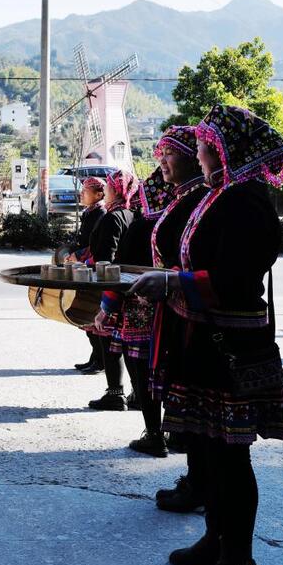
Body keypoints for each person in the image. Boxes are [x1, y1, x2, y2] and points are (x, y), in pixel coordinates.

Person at [130, 105, 283, 565]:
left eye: (205, 145)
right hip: (204, 337)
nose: (200, 152)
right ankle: (216, 540)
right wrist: (172, 280)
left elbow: (236, 277)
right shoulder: (220, 195)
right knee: (209, 445)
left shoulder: (245, 200)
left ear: (225, 150)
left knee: (230, 454)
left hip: (231, 345)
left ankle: (239, 563)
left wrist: (175, 283)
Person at [148, 127, 212, 514]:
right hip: (176, 305)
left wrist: (170, 278)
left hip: (197, 315)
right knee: (187, 405)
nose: (162, 162)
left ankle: (202, 484)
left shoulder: (203, 199)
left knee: (201, 413)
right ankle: (197, 479)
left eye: (170, 154)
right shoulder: (187, 198)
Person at [96, 160, 178, 456]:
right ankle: (177, 432)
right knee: (173, 374)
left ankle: (154, 434)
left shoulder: (145, 225)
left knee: (143, 373)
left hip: (139, 314)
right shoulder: (181, 222)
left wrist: (106, 307)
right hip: (178, 314)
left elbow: (120, 270)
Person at [84, 169, 138, 411]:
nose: (105, 190)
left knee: (109, 340)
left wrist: (86, 266)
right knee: (127, 344)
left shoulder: (112, 218)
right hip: (131, 287)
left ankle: (115, 394)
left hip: (111, 288)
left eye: (109, 186)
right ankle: (136, 393)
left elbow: (106, 257)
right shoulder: (131, 215)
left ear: (116, 190)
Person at [72, 177, 107, 374]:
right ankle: (95, 357)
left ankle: (100, 360)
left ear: (98, 194)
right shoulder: (90, 212)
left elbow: (95, 245)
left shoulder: (101, 213)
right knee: (86, 317)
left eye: (86, 191)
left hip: (91, 267)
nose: (82, 194)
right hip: (83, 265)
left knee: (91, 313)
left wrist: (78, 255)